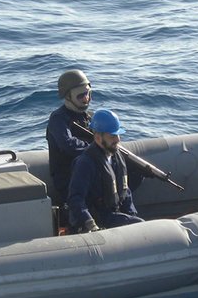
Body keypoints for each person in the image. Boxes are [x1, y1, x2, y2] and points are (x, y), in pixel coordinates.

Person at [67, 109, 145, 233]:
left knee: (138, 224)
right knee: (139, 225)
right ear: (98, 138)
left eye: (118, 135)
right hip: (98, 218)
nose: (117, 140)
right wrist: (90, 223)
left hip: (113, 214)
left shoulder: (116, 157)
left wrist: (132, 214)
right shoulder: (85, 163)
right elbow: (76, 199)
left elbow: (125, 192)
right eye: (112, 136)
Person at [46, 69, 94, 221]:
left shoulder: (89, 117)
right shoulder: (58, 119)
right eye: (81, 95)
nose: (86, 99)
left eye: (88, 94)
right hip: (68, 177)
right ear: (68, 96)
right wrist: (95, 148)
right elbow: (68, 145)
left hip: (90, 172)